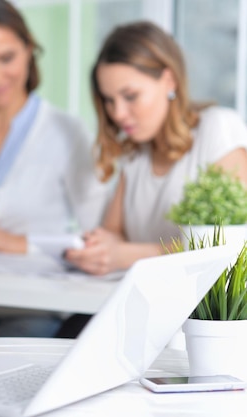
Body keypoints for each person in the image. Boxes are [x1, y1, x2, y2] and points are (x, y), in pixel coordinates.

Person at [0, 0, 108, 339]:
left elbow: (96, 239)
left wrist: (14, 242)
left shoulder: (67, 132)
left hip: (31, 306)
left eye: (6, 58)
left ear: (29, 49)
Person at [60, 20, 247, 337]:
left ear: (169, 80)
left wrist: (123, 254)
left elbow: (230, 249)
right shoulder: (135, 156)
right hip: (141, 310)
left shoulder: (217, 131)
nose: (118, 113)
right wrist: (97, 249)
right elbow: (112, 235)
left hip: (201, 325)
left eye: (130, 96)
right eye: (109, 100)